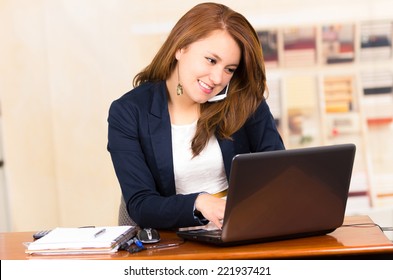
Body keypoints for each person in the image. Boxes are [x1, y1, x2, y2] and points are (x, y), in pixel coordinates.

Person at [107, 2, 285, 230]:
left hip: (241, 231)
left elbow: (277, 171)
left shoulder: (244, 99)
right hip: (173, 241)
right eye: (211, 60)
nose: (218, 78)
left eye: (229, 69)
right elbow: (141, 204)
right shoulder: (129, 112)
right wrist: (199, 202)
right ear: (180, 47)